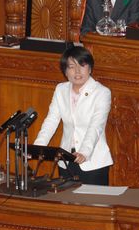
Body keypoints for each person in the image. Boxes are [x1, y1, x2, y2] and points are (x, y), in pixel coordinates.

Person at [33, 45, 113, 185]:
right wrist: (38, 147)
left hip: (93, 162)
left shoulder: (102, 92)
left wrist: (84, 152)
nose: (77, 71)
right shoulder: (61, 89)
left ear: (90, 68)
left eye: (82, 65)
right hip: (66, 161)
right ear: (65, 71)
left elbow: (96, 126)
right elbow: (51, 120)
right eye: (71, 66)